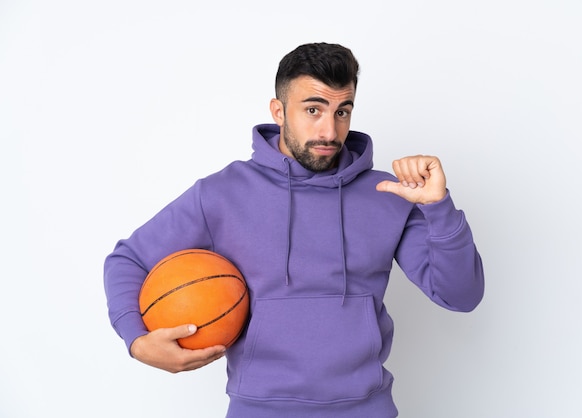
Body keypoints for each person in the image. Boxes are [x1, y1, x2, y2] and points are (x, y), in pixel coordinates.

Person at [104, 42, 484, 418]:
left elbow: (461, 295)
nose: (329, 131)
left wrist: (438, 207)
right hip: (258, 410)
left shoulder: (388, 194)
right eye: (313, 110)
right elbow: (130, 259)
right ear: (279, 111)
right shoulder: (222, 193)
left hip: (367, 409)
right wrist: (137, 341)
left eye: (342, 111)